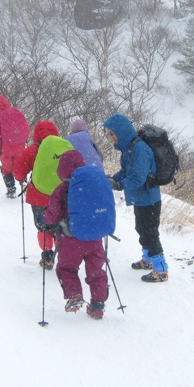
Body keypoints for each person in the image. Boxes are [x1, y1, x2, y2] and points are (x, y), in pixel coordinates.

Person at [103, 113, 169, 282]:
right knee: (141, 228)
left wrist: (119, 185)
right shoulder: (128, 149)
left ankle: (161, 269)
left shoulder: (139, 149)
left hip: (149, 198)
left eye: (112, 133)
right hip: (141, 198)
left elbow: (138, 177)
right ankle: (148, 259)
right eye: (108, 134)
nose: (110, 137)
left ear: (121, 131)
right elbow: (126, 171)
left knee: (149, 232)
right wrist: (112, 179)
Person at [44, 149, 109, 319]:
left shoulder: (62, 189)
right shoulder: (93, 185)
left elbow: (53, 215)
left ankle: (74, 295)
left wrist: (45, 219)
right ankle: (98, 305)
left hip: (71, 239)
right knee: (96, 272)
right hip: (95, 238)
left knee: (67, 268)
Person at [14, 120, 60, 269]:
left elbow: (19, 169)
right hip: (58, 196)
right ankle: (62, 253)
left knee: (43, 226)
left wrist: (21, 179)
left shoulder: (33, 150)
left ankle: (47, 256)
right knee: (58, 226)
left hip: (38, 196)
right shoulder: (61, 149)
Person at [0, 95, 30, 198]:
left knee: (6, 169)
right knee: (19, 166)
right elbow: (26, 129)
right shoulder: (17, 113)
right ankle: (23, 182)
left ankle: (11, 190)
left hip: (6, 148)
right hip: (20, 146)